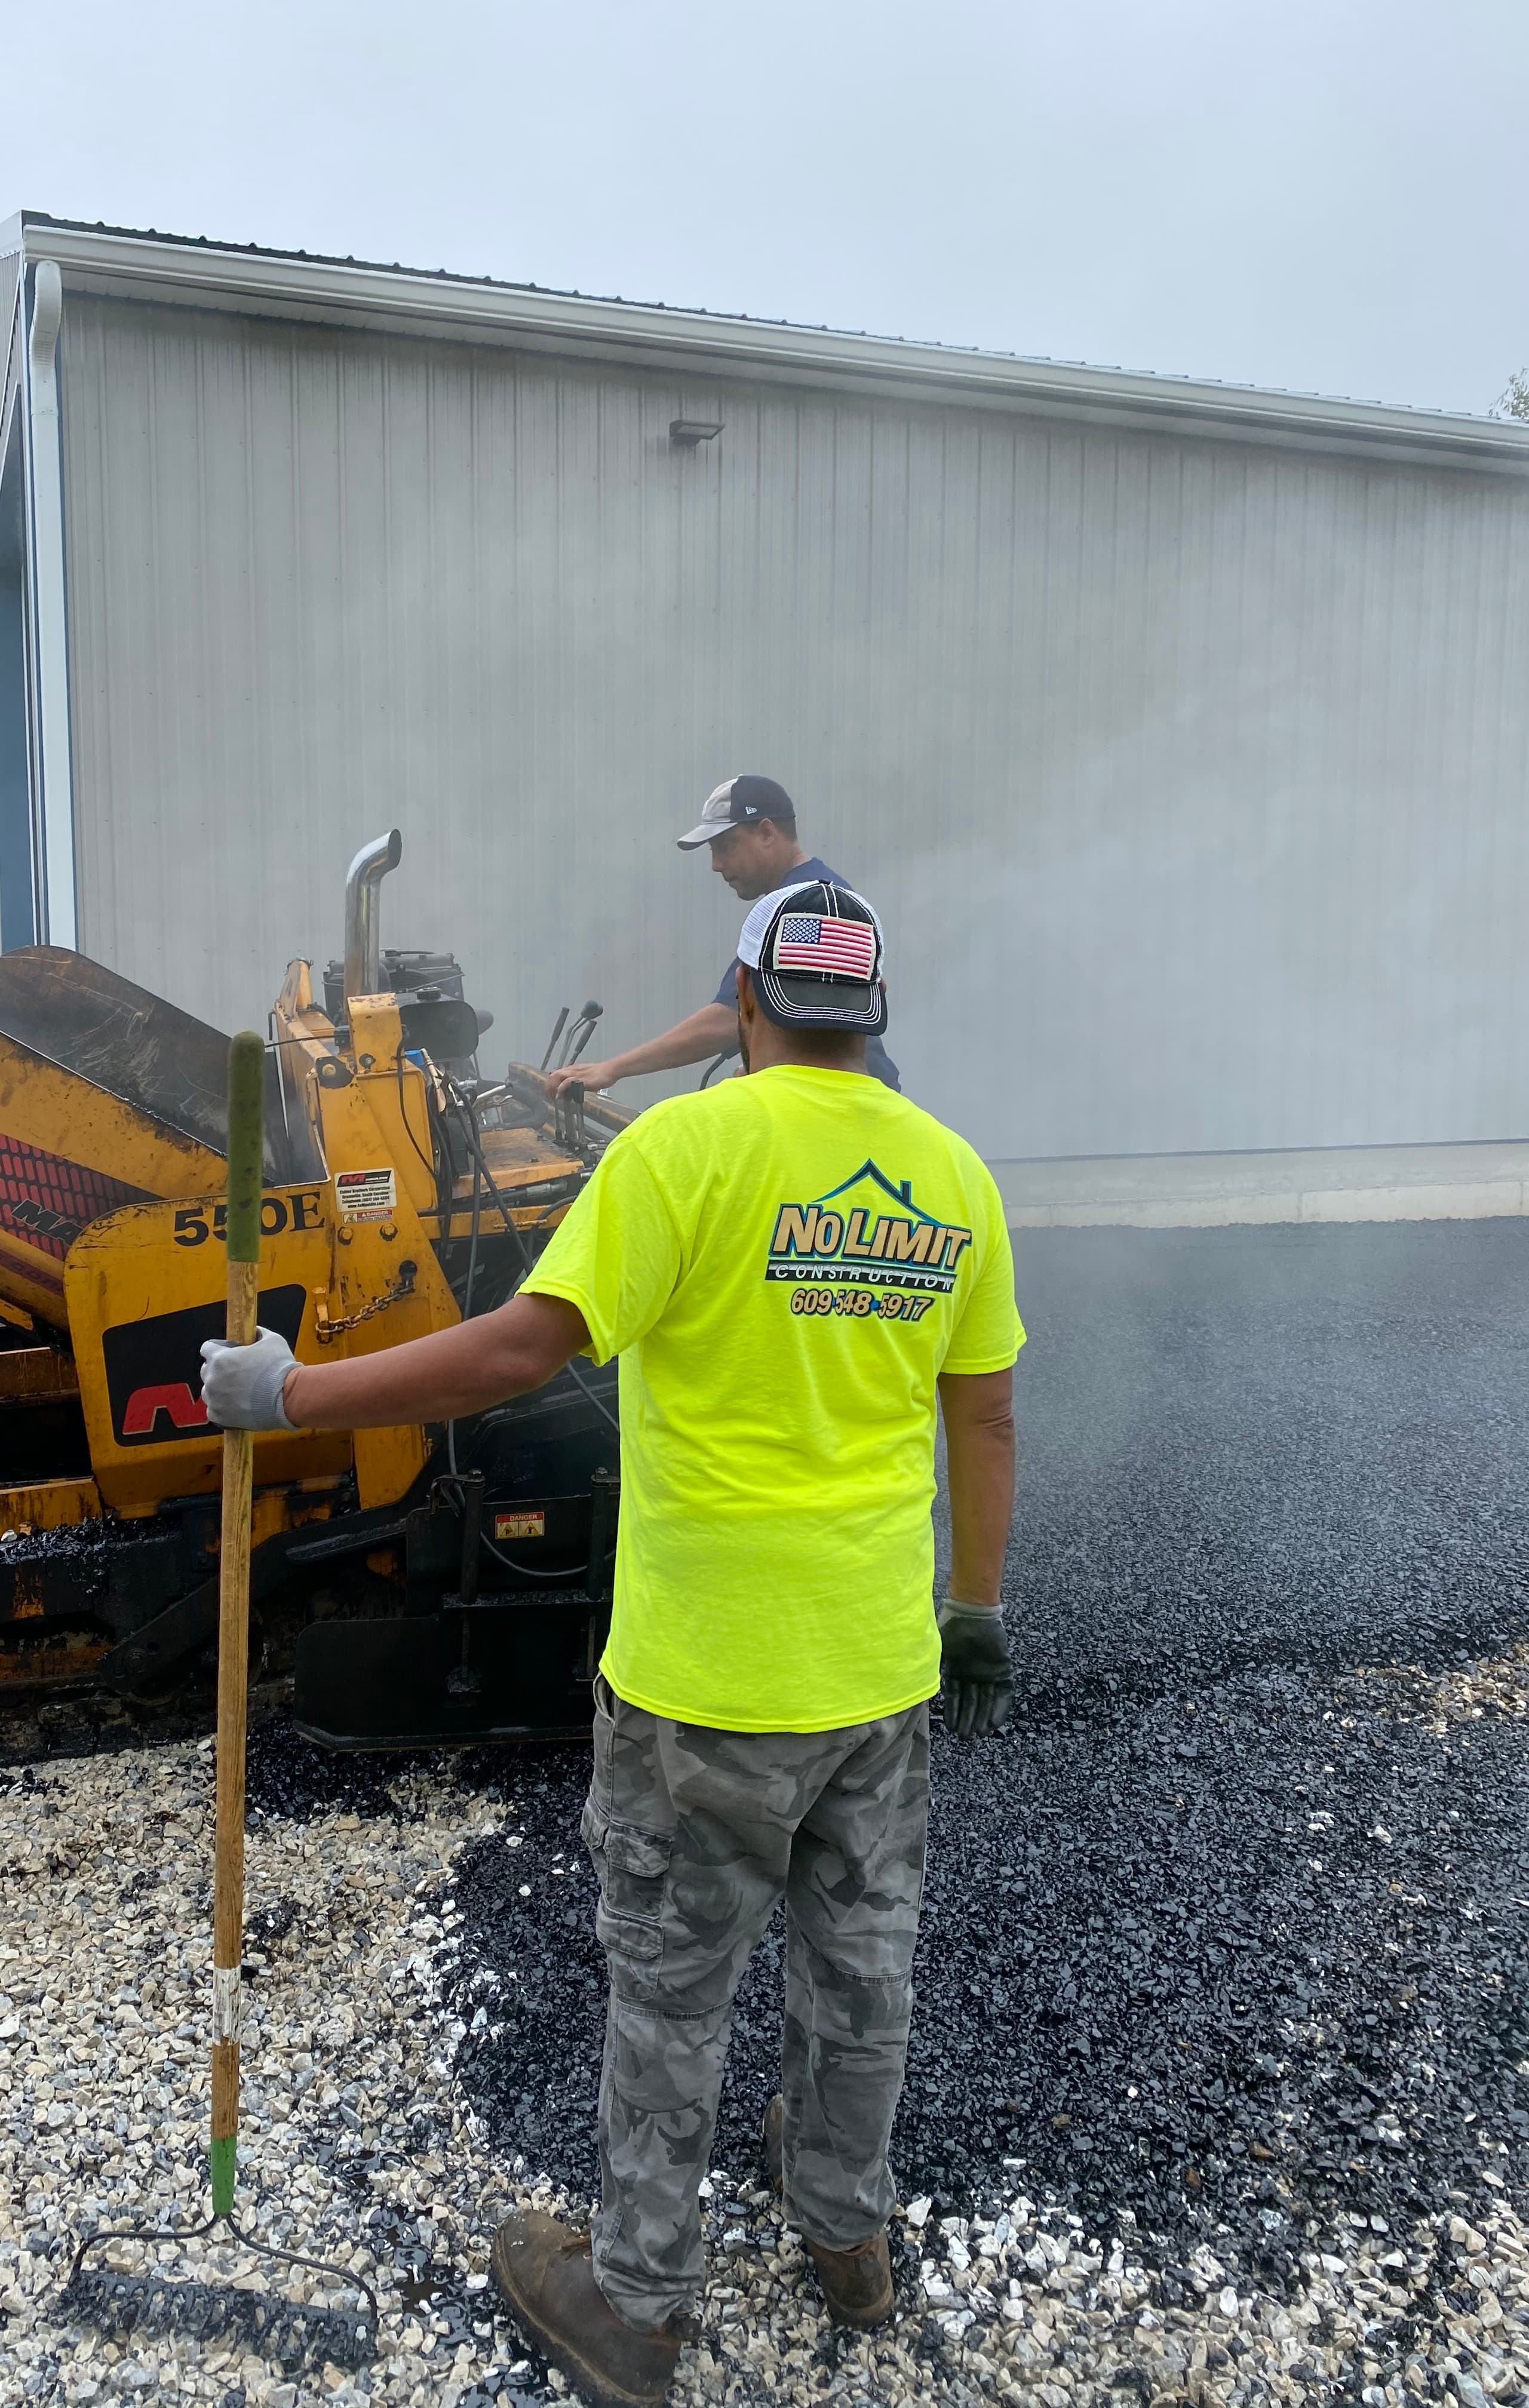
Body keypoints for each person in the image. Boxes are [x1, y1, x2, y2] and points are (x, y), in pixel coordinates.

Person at [203, 879, 1021, 2407]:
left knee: (672, 1993)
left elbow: (522, 1348)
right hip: (878, 1674)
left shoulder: (681, 1151)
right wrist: (973, 1611)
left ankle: (637, 2308)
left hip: (706, 1681)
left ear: (746, 1000)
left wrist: (291, 1392)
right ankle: (846, 2237)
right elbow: (983, 1415)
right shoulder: (953, 1174)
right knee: (863, 1973)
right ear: (873, 1012)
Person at [546, 774, 902, 1099]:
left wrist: (613, 1069)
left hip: (846, 1105)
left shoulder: (807, 906)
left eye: (725, 846)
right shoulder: (807, 894)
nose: (716, 865)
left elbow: (730, 1017)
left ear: (767, 833)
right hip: (834, 1097)